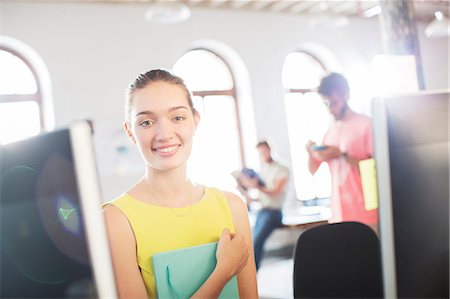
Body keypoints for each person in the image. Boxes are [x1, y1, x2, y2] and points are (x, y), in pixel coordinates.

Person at [103, 69, 258, 299]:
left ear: (195, 121)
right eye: (146, 122)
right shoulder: (115, 221)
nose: (164, 134)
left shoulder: (233, 206)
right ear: (130, 132)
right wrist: (223, 271)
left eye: (178, 117)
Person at [306, 72, 378, 233]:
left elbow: (376, 170)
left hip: (366, 212)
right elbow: (312, 170)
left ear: (346, 95)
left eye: (334, 103)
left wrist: (342, 155)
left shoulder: (366, 125)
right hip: (339, 212)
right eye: (326, 104)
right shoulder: (330, 130)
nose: (330, 109)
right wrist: (310, 153)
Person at [236, 141, 290, 271]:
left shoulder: (282, 169)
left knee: (257, 242)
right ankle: (249, 273)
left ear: (270, 149)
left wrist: (257, 186)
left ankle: (253, 274)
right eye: (260, 152)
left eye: (264, 151)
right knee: (251, 242)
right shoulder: (263, 170)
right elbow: (262, 197)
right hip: (262, 211)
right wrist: (245, 189)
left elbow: (275, 192)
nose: (263, 154)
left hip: (274, 213)